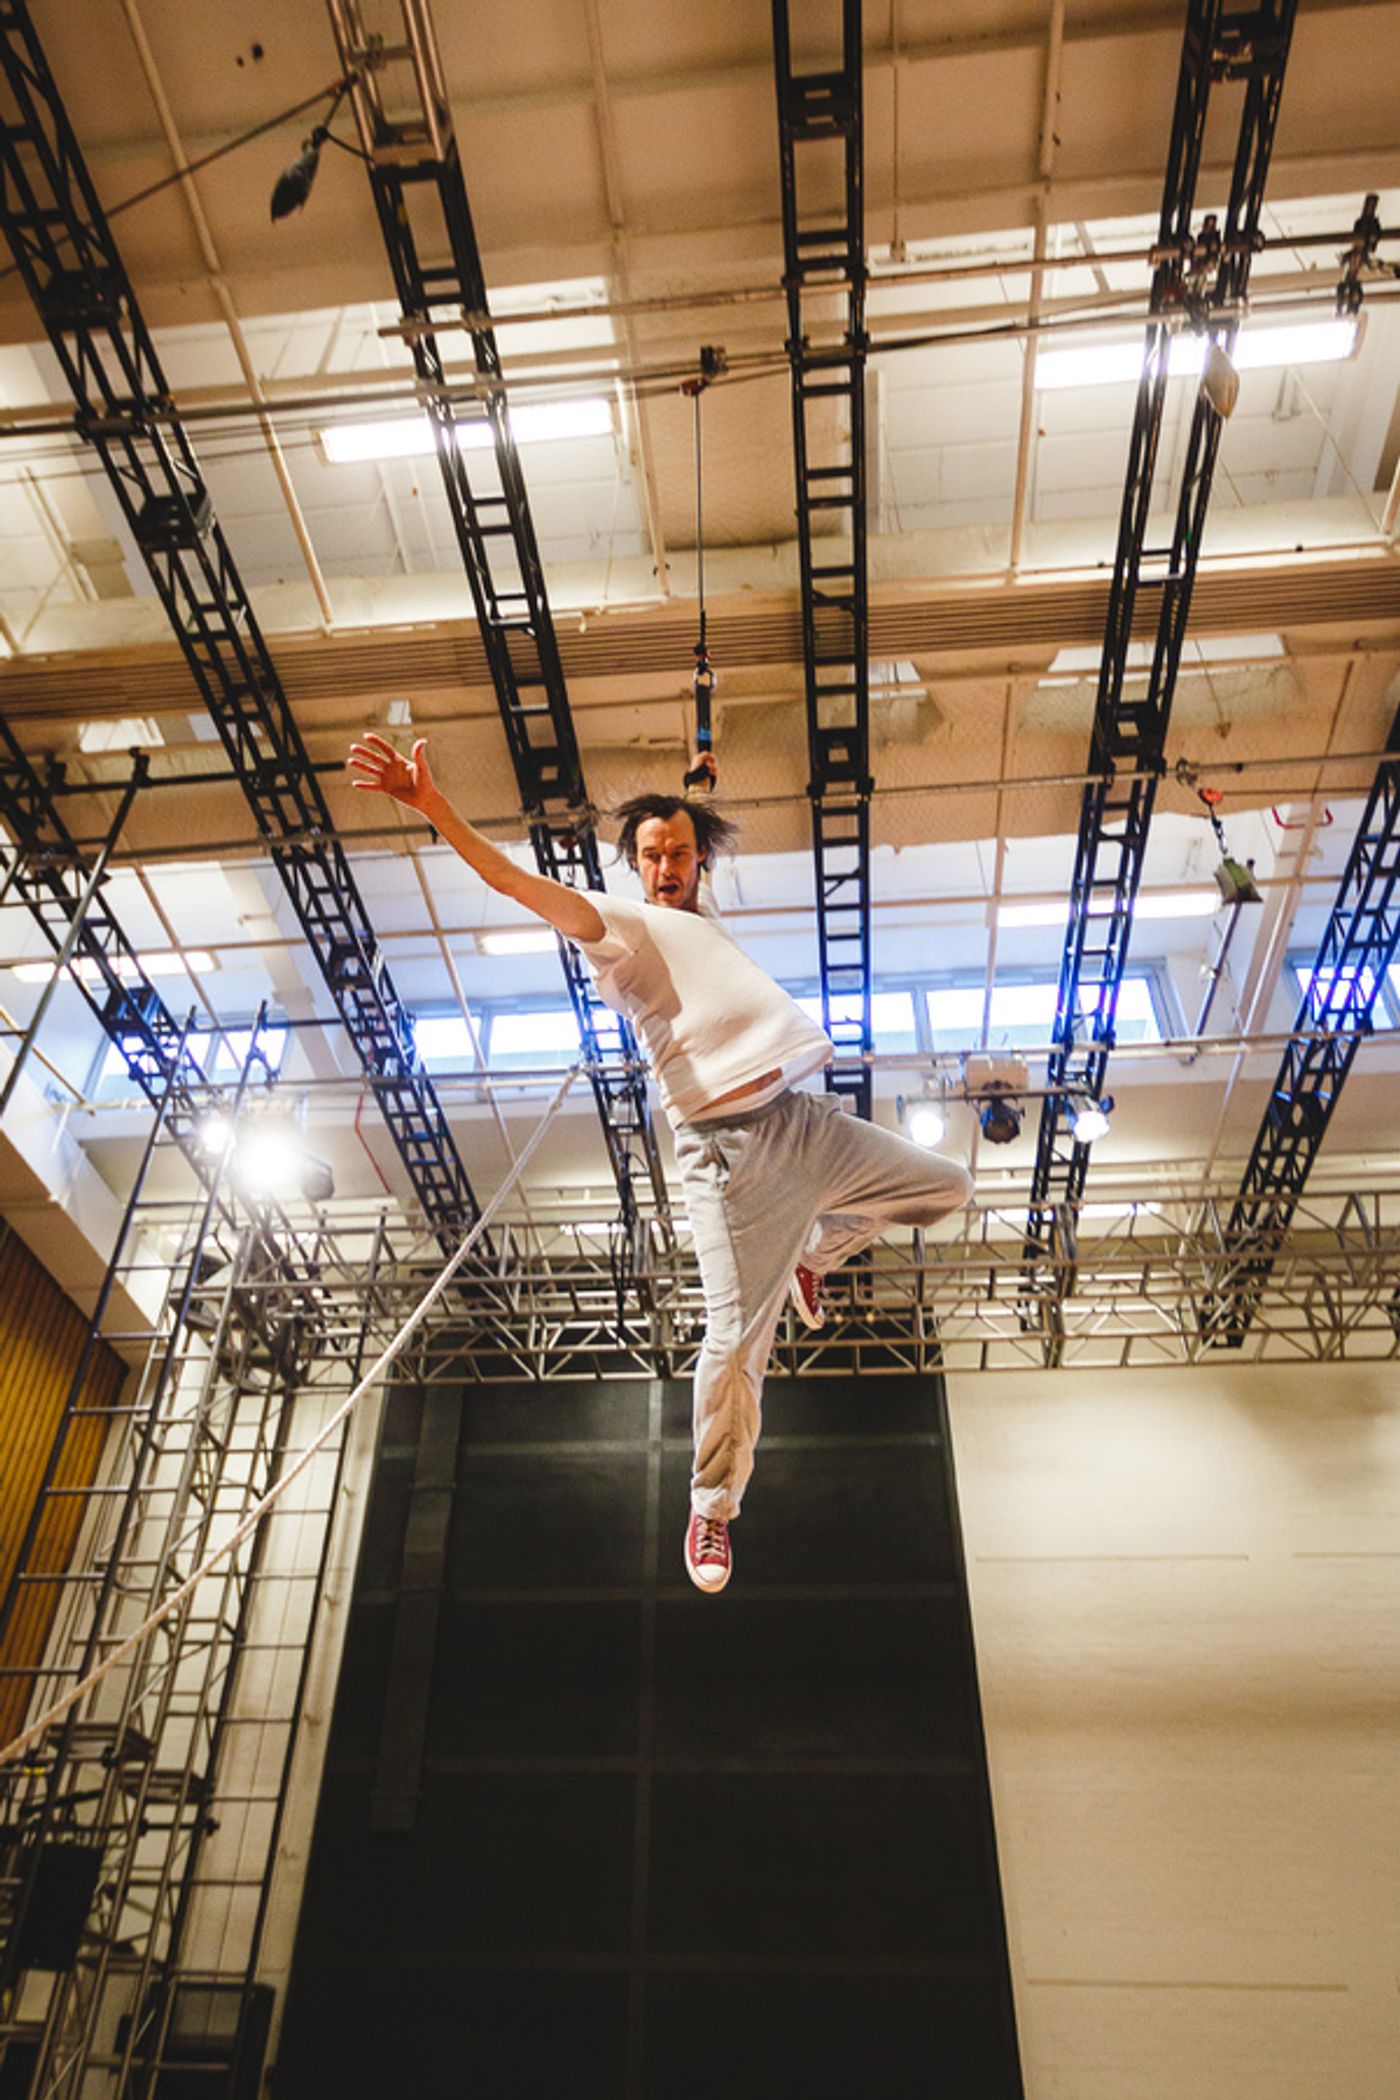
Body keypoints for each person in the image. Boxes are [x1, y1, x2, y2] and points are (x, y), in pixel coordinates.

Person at [348, 731, 973, 1595]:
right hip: (729, 1156)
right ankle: (713, 1508)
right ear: (633, 868)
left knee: (947, 1186)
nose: (668, 864)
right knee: (735, 1340)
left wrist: (696, 779)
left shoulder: (697, 911)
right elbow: (512, 883)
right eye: (653, 854)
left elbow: (689, 835)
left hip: (801, 1125)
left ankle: (812, 1253)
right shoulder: (622, 926)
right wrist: (432, 807)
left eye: (681, 851)